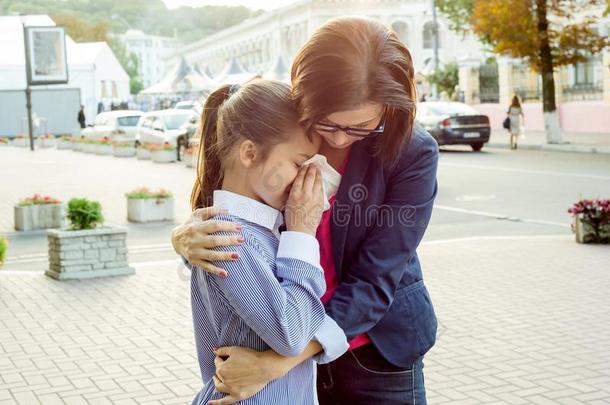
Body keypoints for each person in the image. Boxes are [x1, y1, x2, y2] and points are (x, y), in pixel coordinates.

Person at [172, 17, 438, 405]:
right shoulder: (285, 123)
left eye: (361, 126)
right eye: (328, 122)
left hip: (373, 350)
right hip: (284, 339)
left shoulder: (412, 152)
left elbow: (375, 280)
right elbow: (235, 199)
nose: (339, 138)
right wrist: (182, 237)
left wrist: (277, 362)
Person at [184, 80, 348, 404]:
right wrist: (302, 232)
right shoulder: (228, 238)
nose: (307, 179)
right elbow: (292, 335)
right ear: (249, 152)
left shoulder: (259, 231)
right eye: (299, 164)